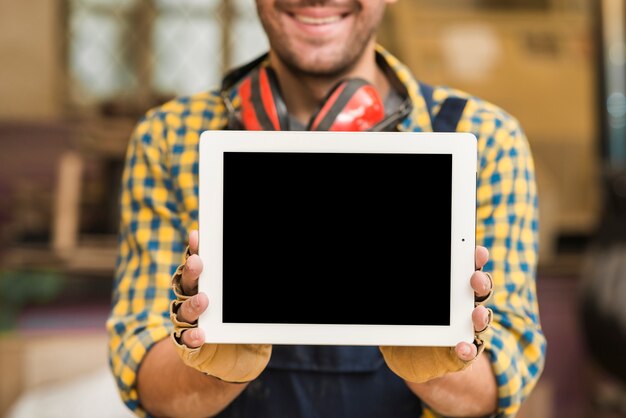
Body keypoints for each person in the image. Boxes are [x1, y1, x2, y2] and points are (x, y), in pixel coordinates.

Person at [107, 0, 546, 417]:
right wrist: (220, 370)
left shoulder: (486, 140)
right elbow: (141, 365)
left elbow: (504, 377)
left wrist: (434, 371)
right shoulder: (168, 137)